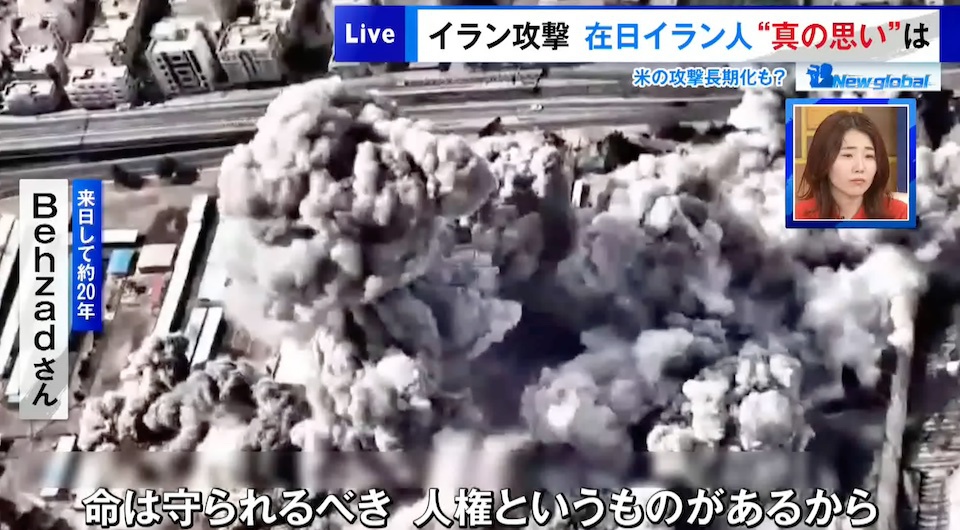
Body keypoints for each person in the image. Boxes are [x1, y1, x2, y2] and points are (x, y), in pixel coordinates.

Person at [795, 110, 909, 220]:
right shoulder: (799, 216)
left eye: (869, 156)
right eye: (848, 155)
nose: (860, 168)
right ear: (823, 160)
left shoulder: (899, 214)